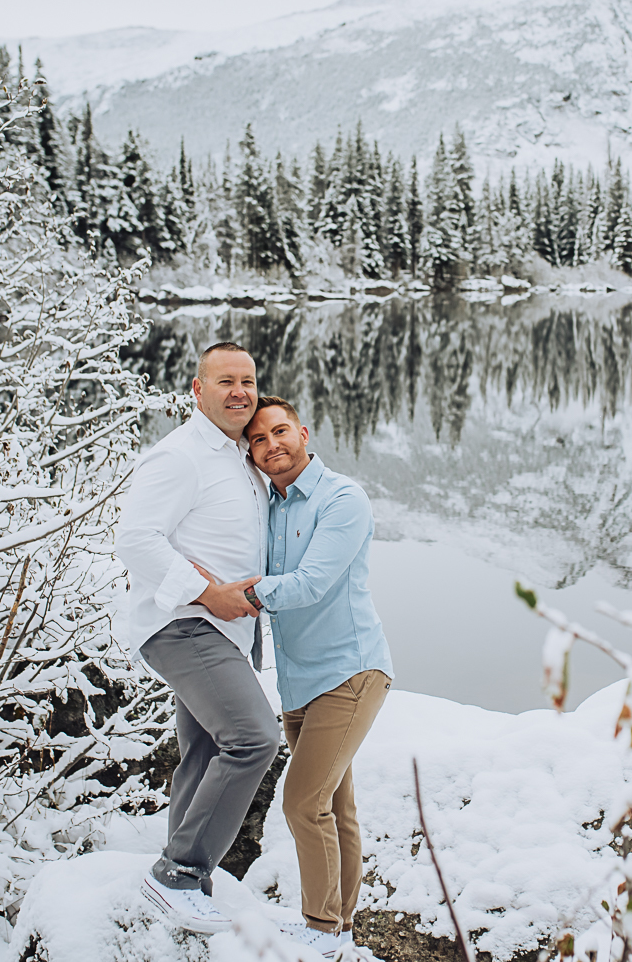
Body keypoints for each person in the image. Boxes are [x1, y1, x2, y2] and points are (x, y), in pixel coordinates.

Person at [114, 341, 279, 935]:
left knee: (205, 751)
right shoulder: (181, 455)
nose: (240, 391)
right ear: (197, 389)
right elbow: (135, 538)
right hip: (184, 625)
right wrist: (206, 593)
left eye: (249, 381)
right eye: (226, 380)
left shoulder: (241, 456)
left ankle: (187, 888)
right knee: (254, 738)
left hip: (228, 632)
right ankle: (177, 875)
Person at [234, 395, 394, 957]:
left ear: (302, 432)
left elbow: (308, 584)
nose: (271, 445)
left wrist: (238, 594)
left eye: (280, 432)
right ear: (250, 451)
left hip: (349, 673)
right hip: (298, 682)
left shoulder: (342, 499)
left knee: (302, 803)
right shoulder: (268, 506)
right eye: (257, 439)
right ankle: (344, 930)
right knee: (335, 807)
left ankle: (321, 930)